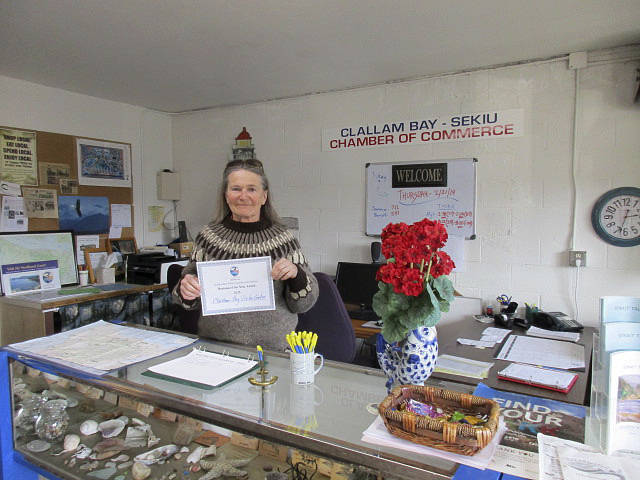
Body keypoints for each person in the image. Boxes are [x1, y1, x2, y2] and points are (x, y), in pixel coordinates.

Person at [172, 158, 319, 351]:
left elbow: (304, 304)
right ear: (226, 195)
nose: (243, 196)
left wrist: (296, 275)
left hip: (273, 351)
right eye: (236, 189)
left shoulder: (284, 240)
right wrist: (187, 289)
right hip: (216, 349)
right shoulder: (208, 238)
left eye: (251, 189)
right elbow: (184, 298)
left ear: (264, 196)